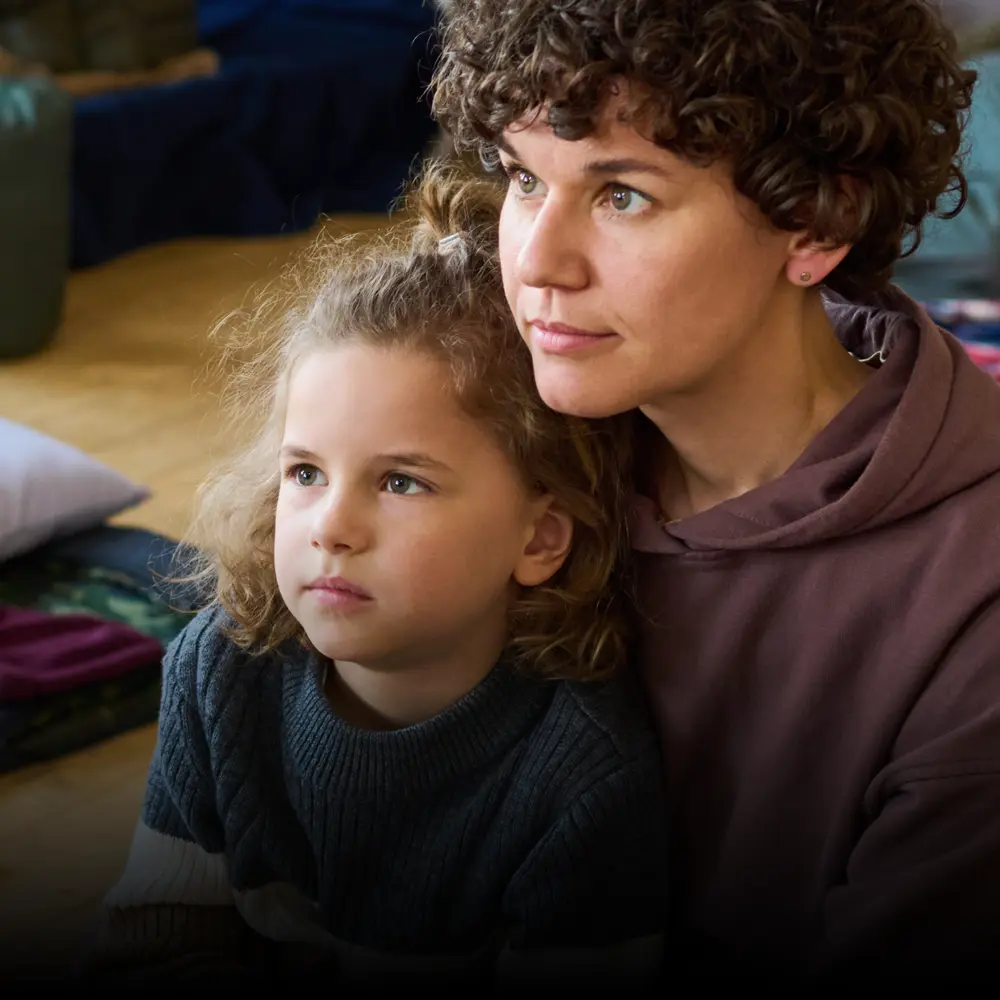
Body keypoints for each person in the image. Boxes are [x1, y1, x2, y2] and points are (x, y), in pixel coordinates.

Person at [431, 0, 1000, 984]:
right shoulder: (491, 436)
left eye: (623, 197)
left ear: (818, 225)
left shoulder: (972, 616)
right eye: (524, 180)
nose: (536, 263)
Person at [83, 168, 667, 990]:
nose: (332, 527)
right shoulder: (219, 669)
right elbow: (153, 933)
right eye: (306, 474)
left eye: (401, 482)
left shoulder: (583, 779)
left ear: (539, 538)